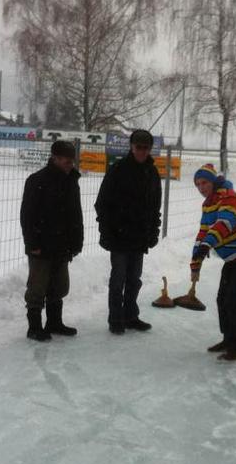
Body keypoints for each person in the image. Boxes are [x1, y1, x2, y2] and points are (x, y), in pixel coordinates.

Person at [190, 164, 236, 361]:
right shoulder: (208, 204)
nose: (201, 187)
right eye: (198, 184)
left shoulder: (229, 197)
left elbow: (225, 223)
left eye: (204, 182)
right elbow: (203, 232)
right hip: (233, 257)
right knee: (222, 298)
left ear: (213, 181)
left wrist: (207, 244)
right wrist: (195, 263)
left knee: (233, 299)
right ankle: (228, 339)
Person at [95, 128, 162, 334]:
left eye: (146, 148)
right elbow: (102, 203)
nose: (142, 151)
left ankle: (131, 316)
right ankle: (115, 319)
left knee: (134, 280)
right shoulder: (118, 170)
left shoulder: (152, 172)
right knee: (118, 280)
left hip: (140, 237)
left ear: (150, 149)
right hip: (119, 237)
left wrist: (153, 231)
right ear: (131, 147)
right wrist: (106, 231)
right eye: (138, 147)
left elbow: (155, 206)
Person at [20, 140, 84, 341]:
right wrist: (33, 245)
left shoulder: (71, 180)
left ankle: (54, 322)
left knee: (59, 286)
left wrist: (76, 241)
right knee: (37, 288)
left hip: (63, 244)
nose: (70, 164)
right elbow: (27, 216)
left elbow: (76, 214)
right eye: (66, 159)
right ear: (54, 158)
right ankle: (34, 327)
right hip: (42, 245)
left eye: (72, 160)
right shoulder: (37, 180)